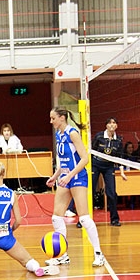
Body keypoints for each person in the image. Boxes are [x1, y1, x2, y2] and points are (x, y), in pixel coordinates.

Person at [44, 107, 105, 267]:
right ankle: (62, 255)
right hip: (65, 177)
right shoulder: (58, 134)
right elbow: (64, 161)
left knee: (83, 218)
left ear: (62, 118)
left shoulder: (73, 133)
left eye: (53, 118)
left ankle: (98, 254)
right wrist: (55, 176)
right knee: (56, 217)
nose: (51, 121)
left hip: (77, 177)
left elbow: (84, 159)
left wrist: (69, 176)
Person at [91, 118, 127, 226]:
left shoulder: (118, 140)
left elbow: (120, 157)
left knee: (111, 193)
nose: (112, 125)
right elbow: (91, 151)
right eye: (110, 123)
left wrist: (122, 172)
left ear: (116, 126)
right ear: (106, 125)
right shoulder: (99, 136)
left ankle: (114, 219)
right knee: (90, 191)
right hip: (96, 164)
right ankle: (83, 220)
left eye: (114, 123)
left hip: (109, 166)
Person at [0, 123, 24, 190]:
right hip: (1, 160)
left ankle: (14, 187)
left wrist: (13, 151)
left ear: (10, 131)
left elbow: (20, 148)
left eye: (8, 131)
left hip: (14, 161)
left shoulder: (15, 138)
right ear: (2, 132)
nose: (6, 133)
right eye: (5, 131)